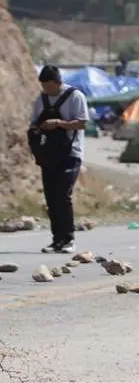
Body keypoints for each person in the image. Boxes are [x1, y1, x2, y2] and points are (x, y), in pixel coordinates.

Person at [28, 66, 89, 254]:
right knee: (51, 198)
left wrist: (59, 124)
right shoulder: (42, 99)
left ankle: (69, 238)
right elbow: (33, 123)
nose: (46, 90)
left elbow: (82, 123)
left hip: (71, 154)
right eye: (43, 86)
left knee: (63, 196)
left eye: (48, 86)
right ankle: (57, 240)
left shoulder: (75, 96)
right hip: (49, 155)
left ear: (58, 82)